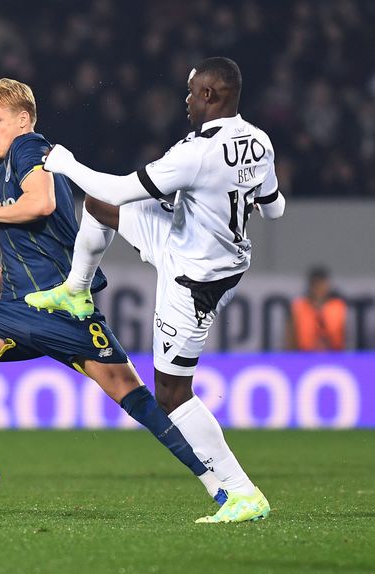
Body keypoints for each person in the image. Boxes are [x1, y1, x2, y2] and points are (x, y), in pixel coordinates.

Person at [0, 78, 228, 513]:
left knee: (137, 397)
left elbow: (42, 203)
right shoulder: (6, 166)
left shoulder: (30, 148)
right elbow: (36, 232)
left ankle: (218, 482)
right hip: (16, 306)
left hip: (62, 308)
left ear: (23, 119)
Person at [26, 57, 285, 523]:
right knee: (97, 205)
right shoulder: (258, 141)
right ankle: (76, 290)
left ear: (210, 95)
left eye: (191, 93)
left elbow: (125, 186)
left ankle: (244, 493)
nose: (185, 101)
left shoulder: (197, 154)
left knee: (170, 392)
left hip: (194, 279)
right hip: (200, 247)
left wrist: (65, 163)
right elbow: (274, 209)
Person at [286, 266, 347, 351]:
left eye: (322, 284)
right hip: (304, 354)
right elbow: (291, 335)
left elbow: (345, 334)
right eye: (316, 284)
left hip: (334, 355)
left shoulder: (338, 306)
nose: (319, 288)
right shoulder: (299, 306)